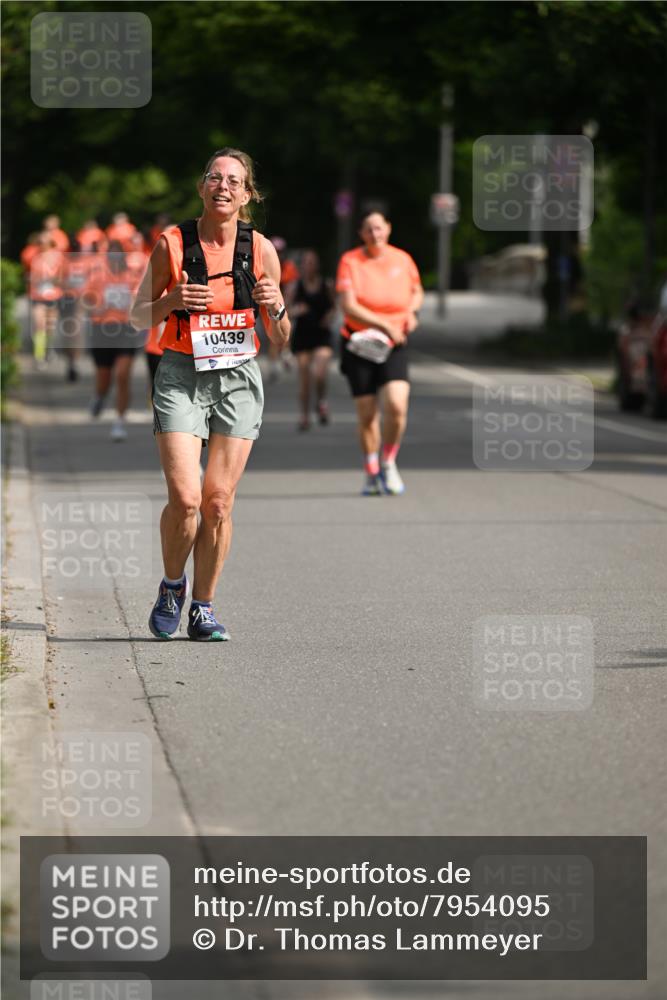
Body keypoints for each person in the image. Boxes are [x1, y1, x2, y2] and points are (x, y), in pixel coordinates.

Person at [130, 147, 290, 642]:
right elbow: (137, 316)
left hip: (238, 375)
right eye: (215, 178)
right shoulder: (172, 245)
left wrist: (278, 307)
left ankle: (203, 606)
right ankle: (172, 586)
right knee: (186, 497)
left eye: (234, 181)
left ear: (247, 194)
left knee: (218, 502)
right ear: (202, 187)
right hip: (180, 371)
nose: (224, 186)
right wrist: (172, 299)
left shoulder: (260, 249)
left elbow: (281, 340)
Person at [336, 210, 423, 496]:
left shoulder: (403, 259)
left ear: (388, 228)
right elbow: (349, 306)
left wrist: (411, 313)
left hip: (394, 345)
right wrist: (384, 323)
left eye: (379, 228)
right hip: (360, 343)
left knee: (397, 406)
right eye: (369, 230)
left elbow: (417, 291)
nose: (375, 234)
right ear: (362, 233)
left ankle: (388, 460)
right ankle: (371, 469)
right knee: (367, 414)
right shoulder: (351, 261)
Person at [87, 241, 145, 440]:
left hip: (126, 329)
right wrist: (96, 306)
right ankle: (100, 396)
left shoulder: (132, 276)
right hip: (102, 329)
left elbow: (140, 298)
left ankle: (119, 421)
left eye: (118, 255)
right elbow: (86, 300)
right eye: (111, 255)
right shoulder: (98, 275)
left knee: (122, 375)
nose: (114, 259)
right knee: (104, 377)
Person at [286, 249, 334, 430]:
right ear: (301, 267)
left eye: (312, 263)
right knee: (305, 379)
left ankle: (321, 401)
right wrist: (296, 311)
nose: (309, 266)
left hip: (322, 334)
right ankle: (304, 416)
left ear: (317, 265)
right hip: (303, 335)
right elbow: (283, 311)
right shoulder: (294, 287)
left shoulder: (326, 285)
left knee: (320, 373)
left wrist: (329, 317)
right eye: (306, 263)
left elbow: (334, 307)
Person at [28, 232, 65, 366]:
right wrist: (38, 280)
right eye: (40, 242)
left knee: (50, 327)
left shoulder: (59, 257)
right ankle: (39, 356)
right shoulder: (35, 257)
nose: (42, 244)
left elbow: (62, 277)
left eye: (45, 241)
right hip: (38, 296)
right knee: (39, 325)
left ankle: (49, 349)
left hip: (53, 295)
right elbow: (31, 277)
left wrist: (52, 280)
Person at [266, 236, 299, 381]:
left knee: (286, 329)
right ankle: (274, 363)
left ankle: (285, 352)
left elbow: (291, 288)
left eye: (280, 251)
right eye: (275, 251)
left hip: (284, 302)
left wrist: (286, 305)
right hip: (267, 303)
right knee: (272, 332)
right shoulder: (264, 264)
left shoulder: (288, 267)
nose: (278, 254)